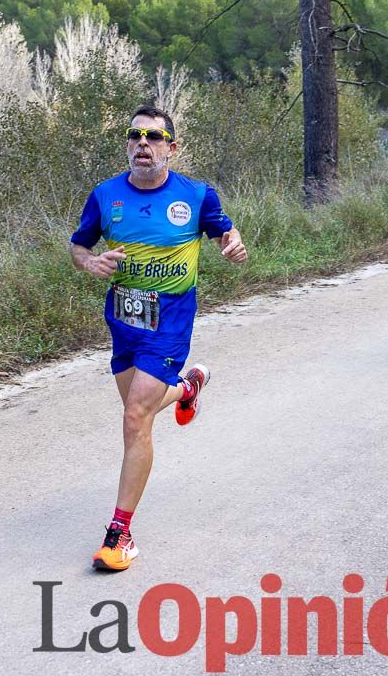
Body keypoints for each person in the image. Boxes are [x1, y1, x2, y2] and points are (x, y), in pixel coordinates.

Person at [70, 105, 247, 571]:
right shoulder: (106, 196)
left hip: (170, 318)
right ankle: (187, 388)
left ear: (172, 147)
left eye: (154, 137)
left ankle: (120, 533)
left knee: (134, 417)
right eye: (135, 136)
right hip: (124, 318)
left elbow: (226, 233)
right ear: (128, 145)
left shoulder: (196, 195)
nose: (143, 144)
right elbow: (78, 245)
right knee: (139, 407)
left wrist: (232, 244)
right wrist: (90, 262)